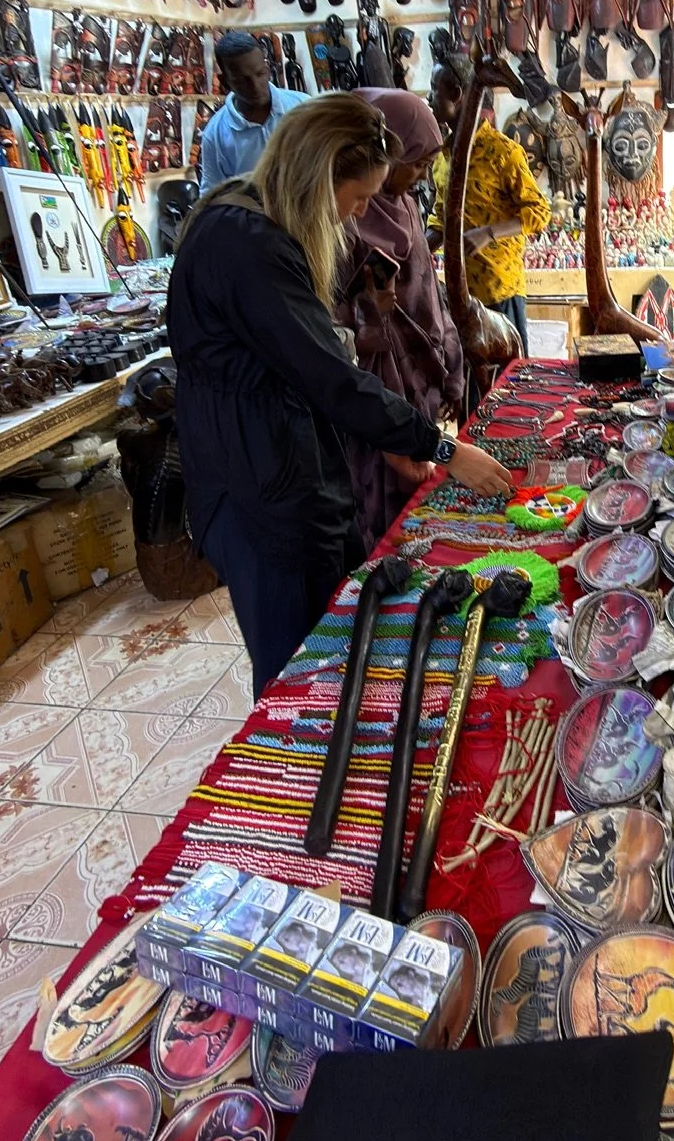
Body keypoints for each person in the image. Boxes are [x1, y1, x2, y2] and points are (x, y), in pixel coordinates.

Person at [168, 94, 511, 696]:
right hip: (256, 487)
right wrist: (445, 449)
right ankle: (291, 770)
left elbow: (309, 364)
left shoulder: (255, 220)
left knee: (335, 636)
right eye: (355, 199)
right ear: (317, 174)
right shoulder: (246, 243)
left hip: (284, 464)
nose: (354, 217)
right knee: (295, 666)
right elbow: (328, 375)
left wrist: (385, 437)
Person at [335, 87, 465, 552]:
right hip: (371, 378)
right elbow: (325, 317)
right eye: (417, 162)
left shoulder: (405, 205)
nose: (420, 174)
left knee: (419, 490)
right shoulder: (343, 216)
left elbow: (429, 291)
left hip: (418, 372)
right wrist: (365, 319)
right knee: (380, 499)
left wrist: (450, 361)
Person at [428, 86, 551, 353]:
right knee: (468, 384)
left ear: (458, 94)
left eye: (436, 89)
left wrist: (488, 233)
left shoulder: (504, 152)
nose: (429, 97)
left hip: (499, 290)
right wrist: (418, 250)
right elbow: (440, 217)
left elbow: (540, 212)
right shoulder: (442, 157)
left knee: (508, 378)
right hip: (459, 293)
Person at [197, 31, 307, 189]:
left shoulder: (304, 107)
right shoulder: (215, 135)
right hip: (254, 213)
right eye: (242, 80)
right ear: (225, 82)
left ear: (268, 70)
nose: (255, 86)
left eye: (260, 74)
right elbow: (211, 195)